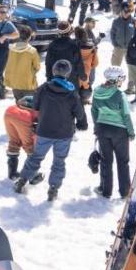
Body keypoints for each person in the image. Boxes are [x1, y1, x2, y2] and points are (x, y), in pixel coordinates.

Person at [14, 59, 88, 200]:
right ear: (68, 73)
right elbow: (79, 114)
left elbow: (35, 105)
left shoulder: (44, 88)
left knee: (36, 157)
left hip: (44, 130)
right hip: (64, 133)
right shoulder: (72, 92)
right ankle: (53, 189)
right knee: (59, 161)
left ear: (54, 71)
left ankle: (22, 181)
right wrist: (81, 123)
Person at [90, 67, 135, 198]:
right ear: (116, 79)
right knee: (123, 162)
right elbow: (126, 115)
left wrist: (97, 127)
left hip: (102, 129)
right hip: (119, 131)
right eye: (121, 78)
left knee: (105, 161)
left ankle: (105, 190)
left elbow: (94, 111)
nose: (122, 81)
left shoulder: (97, 92)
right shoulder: (120, 95)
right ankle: (125, 191)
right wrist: (131, 132)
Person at [4, 95, 42, 183]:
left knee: (14, 142)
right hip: (24, 117)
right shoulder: (46, 107)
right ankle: (32, 175)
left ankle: (12, 173)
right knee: (29, 146)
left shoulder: (32, 98)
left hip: (9, 112)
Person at [4, 27, 40, 102]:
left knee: (18, 105)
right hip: (28, 84)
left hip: (15, 83)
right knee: (28, 108)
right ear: (29, 37)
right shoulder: (32, 51)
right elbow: (37, 67)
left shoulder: (11, 48)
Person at [44, 25, 82, 91]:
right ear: (69, 32)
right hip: (71, 79)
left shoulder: (52, 45)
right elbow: (78, 62)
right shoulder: (74, 45)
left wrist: (48, 76)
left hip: (55, 79)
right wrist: (83, 75)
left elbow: (48, 62)